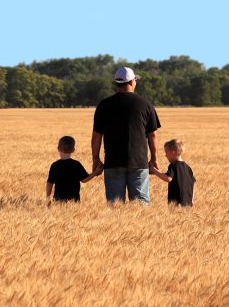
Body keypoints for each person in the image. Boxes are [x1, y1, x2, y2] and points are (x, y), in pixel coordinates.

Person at [91, 66, 161, 204]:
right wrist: (154, 159)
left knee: (115, 205)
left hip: (113, 162)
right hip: (139, 162)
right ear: (131, 82)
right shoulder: (145, 104)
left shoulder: (104, 105)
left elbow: (96, 136)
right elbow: (152, 135)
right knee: (141, 206)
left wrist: (95, 159)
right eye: (135, 79)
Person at [46, 136, 103, 203]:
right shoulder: (76, 164)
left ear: (58, 148)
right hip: (74, 200)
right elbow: (84, 180)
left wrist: (47, 198)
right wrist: (95, 173)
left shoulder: (54, 165)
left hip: (58, 200)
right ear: (73, 150)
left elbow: (49, 183)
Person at [150, 139, 196, 206]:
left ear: (172, 152)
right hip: (188, 200)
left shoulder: (173, 165)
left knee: (176, 215)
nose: (165, 155)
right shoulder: (187, 167)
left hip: (176, 201)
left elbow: (168, 178)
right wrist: (192, 199)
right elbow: (193, 183)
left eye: (166, 152)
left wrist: (154, 170)